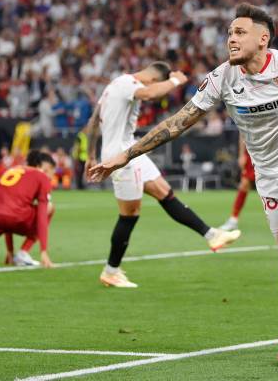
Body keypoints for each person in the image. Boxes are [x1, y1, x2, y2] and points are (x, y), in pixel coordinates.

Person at [88, 3, 278, 363]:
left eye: (239, 32)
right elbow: (179, 122)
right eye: (229, 33)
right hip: (268, 176)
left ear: (263, 38)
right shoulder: (222, 78)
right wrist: (127, 154)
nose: (231, 39)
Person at [85, 61, 241, 289]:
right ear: (155, 78)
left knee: (164, 192)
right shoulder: (129, 83)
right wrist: (176, 80)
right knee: (129, 214)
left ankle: (211, 235)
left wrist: (90, 154)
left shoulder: (113, 86)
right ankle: (111, 271)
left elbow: (92, 122)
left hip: (131, 149)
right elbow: (149, 93)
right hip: (120, 155)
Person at [220, 136, 255, 231]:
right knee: (244, 185)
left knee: (270, 187)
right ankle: (233, 220)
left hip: (269, 151)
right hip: (251, 152)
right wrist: (242, 154)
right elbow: (242, 133)